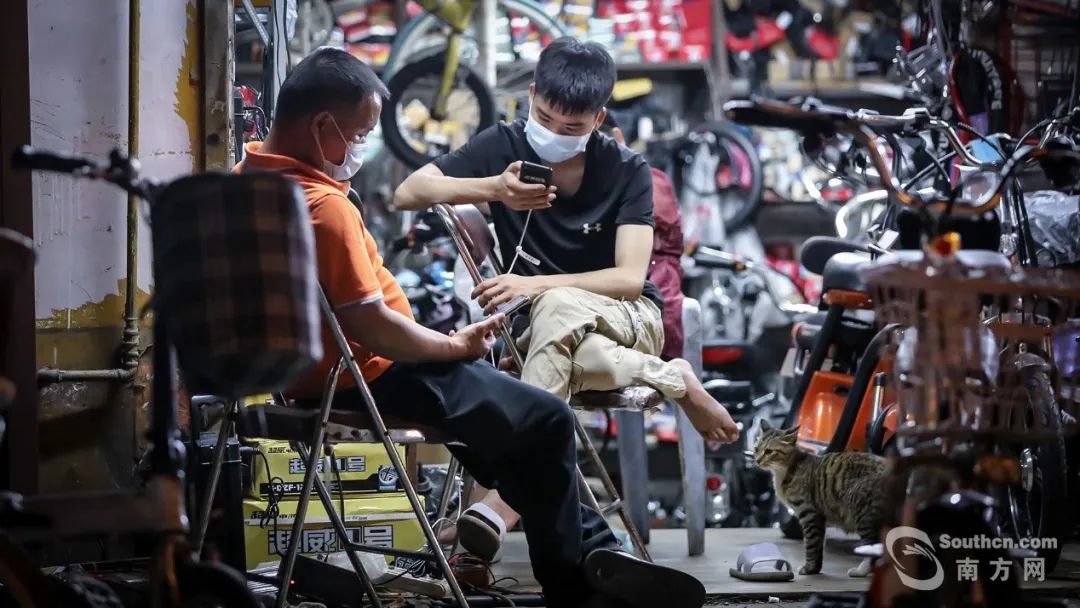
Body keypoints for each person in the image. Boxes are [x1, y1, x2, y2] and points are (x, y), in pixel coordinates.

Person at [236, 47, 706, 608]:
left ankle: (595, 555)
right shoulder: (324, 207)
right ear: (321, 127)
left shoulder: (245, 182)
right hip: (374, 373)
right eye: (360, 135)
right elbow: (378, 330)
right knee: (548, 419)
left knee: (503, 440)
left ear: (599, 119)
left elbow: (631, 278)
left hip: (313, 374)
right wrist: (453, 344)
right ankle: (574, 585)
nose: (360, 149)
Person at [393, 38, 740, 561]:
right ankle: (672, 377)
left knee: (555, 308)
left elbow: (628, 278)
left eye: (572, 127)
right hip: (551, 339)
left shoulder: (628, 170)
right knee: (568, 344)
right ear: (531, 95)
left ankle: (504, 503)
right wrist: (495, 190)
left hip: (629, 318)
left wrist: (534, 286)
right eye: (545, 117)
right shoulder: (505, 146)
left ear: (598, 118)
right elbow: (409, 191)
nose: (554, 134)